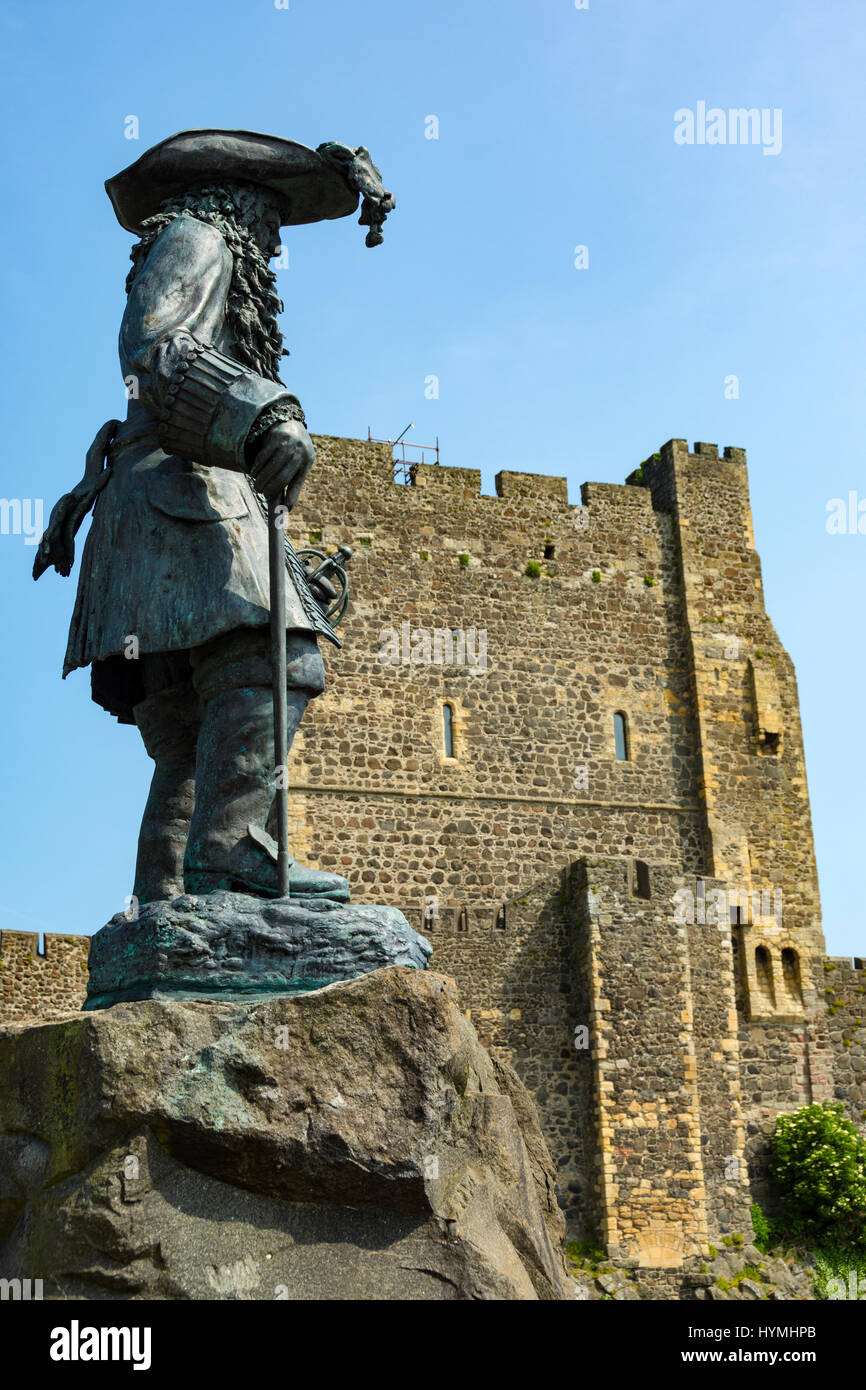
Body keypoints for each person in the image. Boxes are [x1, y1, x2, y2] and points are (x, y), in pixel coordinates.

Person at [34, 130, 393, 903]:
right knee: (281, 658)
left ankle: (166, 904)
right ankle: (229, 852)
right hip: (178, 492)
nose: (272, 235)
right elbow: (154, 346)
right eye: (269, 215)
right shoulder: (198, 241)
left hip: (153, 502)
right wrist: (264, 415)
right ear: (233, 201)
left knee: (189, 735)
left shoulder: (203, 246)